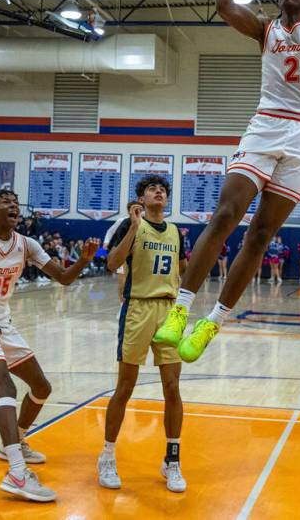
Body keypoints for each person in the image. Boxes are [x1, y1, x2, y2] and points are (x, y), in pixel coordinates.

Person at [152, 0, 300, 362]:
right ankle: (181, 309)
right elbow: (223, 5)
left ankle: (214, 322)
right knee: (226, 213)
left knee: (260, 235)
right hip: (267, 123)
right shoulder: (265, 29)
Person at [0, 190, 99, 502]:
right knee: (6, 390)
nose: (14, 205)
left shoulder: (27, 244)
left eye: (16, 202)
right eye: (6, 202)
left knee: (42, 387)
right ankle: (16, 472)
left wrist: (83, 259)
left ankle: (15, 441)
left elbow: (64, 279)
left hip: (5, 324)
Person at [99, 175, 188, 493]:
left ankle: (172, 460)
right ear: (141, 198)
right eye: (152, 188)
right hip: (138, 309)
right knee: (125, 387)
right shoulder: (128, 225)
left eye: (163, 189)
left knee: (173, 387)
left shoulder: (177, 232)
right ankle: (107, 456)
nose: (160, 191)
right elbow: (111, 263)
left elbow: (183, 271)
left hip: (168, 310)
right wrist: (135, 227)